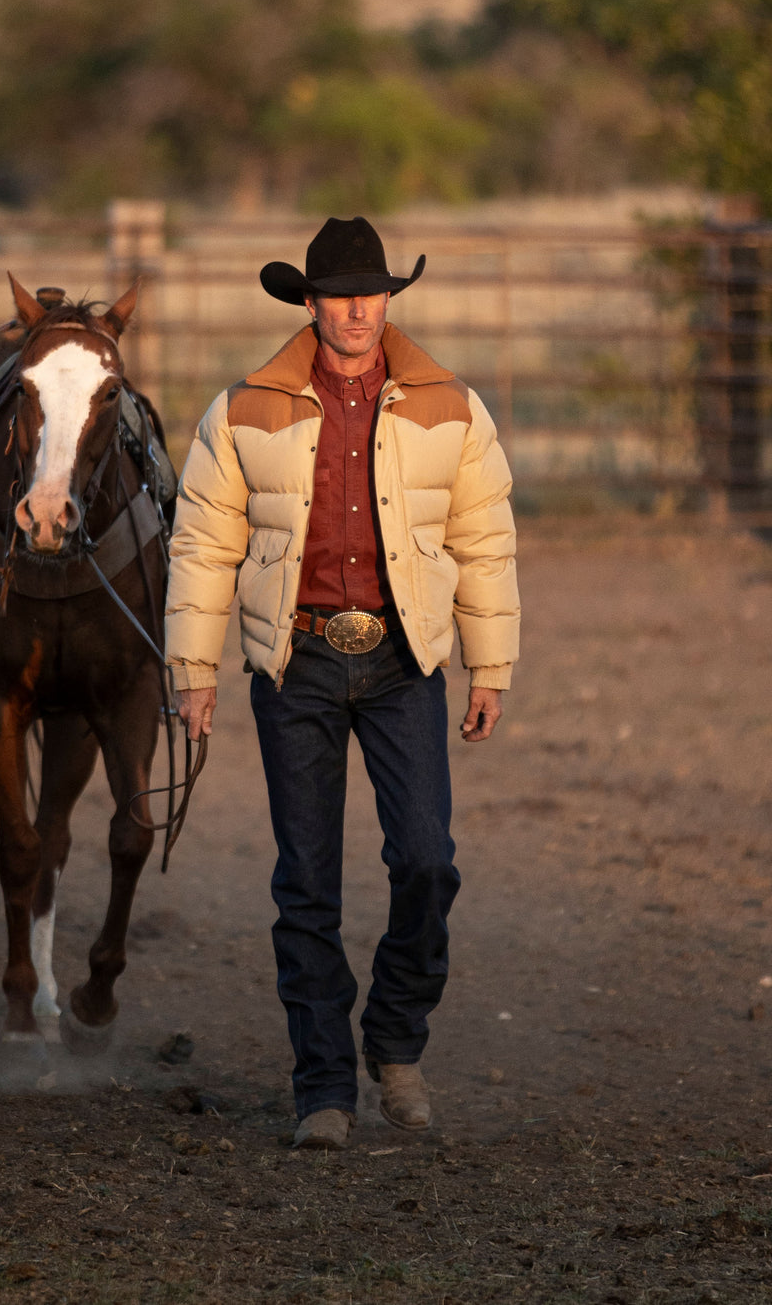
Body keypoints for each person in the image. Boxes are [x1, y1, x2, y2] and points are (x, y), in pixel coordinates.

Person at [164, 216, 520, 1150]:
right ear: (311, 302)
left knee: (428, 861)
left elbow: (482, 536)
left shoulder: (451, 404)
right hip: (299, 660)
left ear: (389, 300)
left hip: (407, 660)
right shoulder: (244, 407)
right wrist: (195, 669)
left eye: (372, 292)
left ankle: (395, 1037)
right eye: (339, 294)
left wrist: (492, 660)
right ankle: (323, 1086)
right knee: (306, 885)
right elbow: (205, 542)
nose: (358, 309)